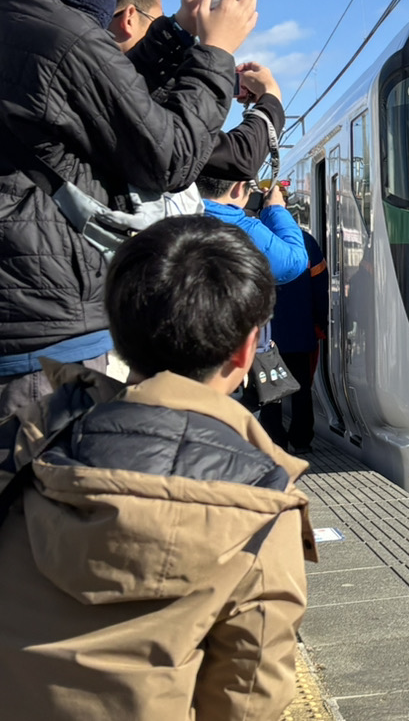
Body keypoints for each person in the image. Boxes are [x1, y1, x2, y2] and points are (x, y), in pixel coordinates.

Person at [0, 215, 315, 720]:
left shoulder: (22, 446)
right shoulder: (263, 505)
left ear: (117, 332)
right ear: (246, 349)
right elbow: (248, 701)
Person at [0, 0, 259, 415]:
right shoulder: (59, 29)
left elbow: (89, 97)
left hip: (21, 307)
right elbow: (167, 156)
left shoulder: (26, 11)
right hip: (43, 335)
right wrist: (216, 52)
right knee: (50, 503)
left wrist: (178, 35)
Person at [107, 0, 286, 183]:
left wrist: (182, 25)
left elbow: (134, 79)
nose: (161, 27)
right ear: (130, 18)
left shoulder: (74, 64)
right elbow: (238, 157)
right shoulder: (110, 95)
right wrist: (270, 99)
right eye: (157, 21)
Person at [260, 226, 329, 453]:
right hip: (300, 328)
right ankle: (301, 441)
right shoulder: (305, 241)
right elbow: (320, 288)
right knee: (301, 388)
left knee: (270, 391)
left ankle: (274, 441)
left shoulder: (255, 238)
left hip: (266, 333)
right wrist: (320, 321)